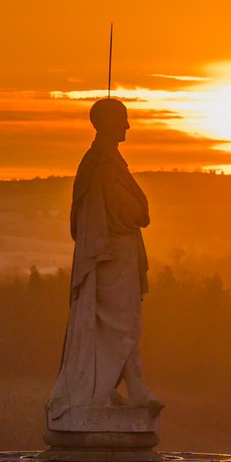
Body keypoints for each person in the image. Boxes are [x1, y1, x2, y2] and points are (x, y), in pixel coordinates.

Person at [47, 98, 163, 425]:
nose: (128, 126)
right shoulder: (102, 164)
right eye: (123, 120)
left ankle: (129, 388)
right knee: (120, 323)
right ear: (106, 123)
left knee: (126, 323)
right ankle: (125, 389)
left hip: (116, 254)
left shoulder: (108, 161)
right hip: (110, 257)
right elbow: (133, 213)